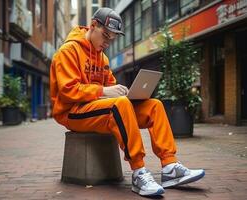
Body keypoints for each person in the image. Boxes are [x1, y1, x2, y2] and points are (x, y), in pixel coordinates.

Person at [50, 7, 205, 197]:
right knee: (120, 105)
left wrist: (127, 93)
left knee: (153, 106)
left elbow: (111, 88)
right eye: (105, 36)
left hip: (98, 109)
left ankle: (170, 166)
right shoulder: (68, 50)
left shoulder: (102, 57)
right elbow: (67, 91)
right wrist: (105, 91)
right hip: (72, 112)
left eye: (112, 39)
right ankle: (139, 172)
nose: (107, 42)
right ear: (92, 26)